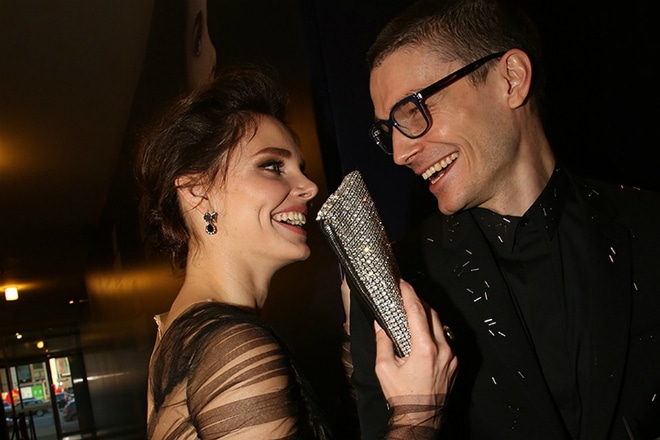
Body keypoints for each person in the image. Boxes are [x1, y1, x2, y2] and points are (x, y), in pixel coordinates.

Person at [348, 0, 660, 439]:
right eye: (389, 131)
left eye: (414, 110)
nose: (400, 154)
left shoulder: (649, 227)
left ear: (511, 79)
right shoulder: (398, 284)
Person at [137, 65, 457, 439]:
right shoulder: (231, 345)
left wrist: (357, 339)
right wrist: (420, 412)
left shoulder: (184, 332)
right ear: (197, 192)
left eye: (300, 168)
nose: (309, 186)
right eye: (273, 166)